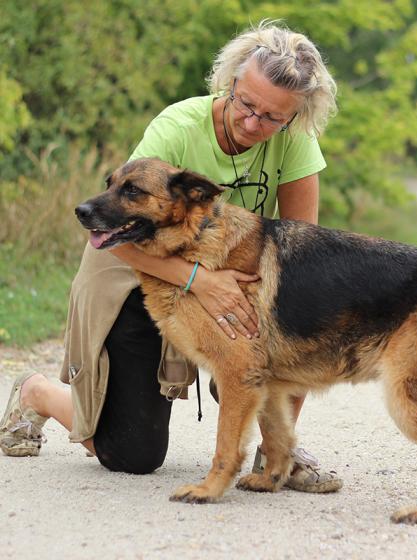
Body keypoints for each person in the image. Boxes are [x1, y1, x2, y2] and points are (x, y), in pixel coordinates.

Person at [0, 21, 342, 493]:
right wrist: (200, 281)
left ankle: (276, 450)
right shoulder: (176, 128)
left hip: (225, 275)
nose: (252, 123)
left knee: (293, 317)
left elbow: (302, 256)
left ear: (292, 117)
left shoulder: (295, 138)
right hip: (133, 267)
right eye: (246, 103)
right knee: (132, 454)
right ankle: (38, 392)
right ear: (230, 83)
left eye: (271, 118)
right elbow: (118, 230)